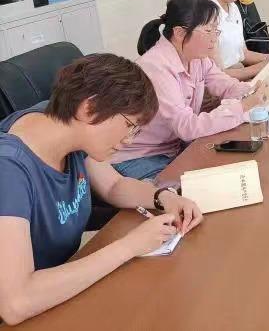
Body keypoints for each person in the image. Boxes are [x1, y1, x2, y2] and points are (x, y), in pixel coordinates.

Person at [0, 54, 203, 325]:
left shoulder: (65, 127)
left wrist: (163, 197)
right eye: (129, 126)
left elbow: (114, 185)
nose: (128, 140)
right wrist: (130, 246)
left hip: (64, 285)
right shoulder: (9, 169)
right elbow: (16, 302)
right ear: (89, 108)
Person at [111, 0, 267, 181]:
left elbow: (226, 85)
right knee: (186, 191)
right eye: (208, 30)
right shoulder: (156, 68)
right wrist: (242, 107)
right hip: (141, 156)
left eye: (216, 30)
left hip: (174, 146)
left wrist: (255, 90)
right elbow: (186, 126)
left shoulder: (196, 58)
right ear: (180, 33)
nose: (215, 39)